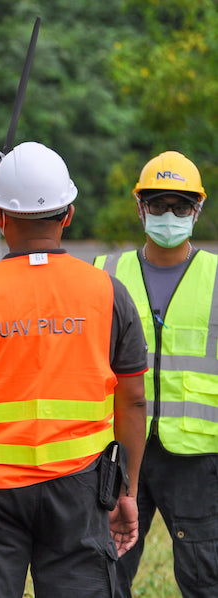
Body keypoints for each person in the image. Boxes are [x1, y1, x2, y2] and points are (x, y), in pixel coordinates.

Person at [0, 141, 148, 597]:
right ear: (69, 214)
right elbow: (133, 398)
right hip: (79, 487)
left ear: (0, 217)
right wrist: (129, 490)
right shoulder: (108, 292)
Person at [94, 151, 218, 598]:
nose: (169, 214)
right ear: (139, 206)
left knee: (208, 577)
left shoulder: (217, 276)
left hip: (197, 456)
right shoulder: (104, 273)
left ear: (197, 209)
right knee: (105, 570)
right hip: (118, 450)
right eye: (159, 203)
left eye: (180, 205)